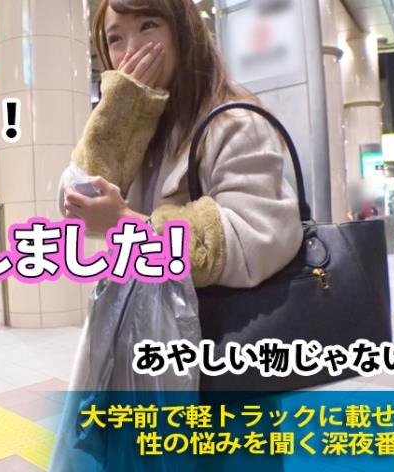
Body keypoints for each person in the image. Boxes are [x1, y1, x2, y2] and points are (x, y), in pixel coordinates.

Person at [58, 0, 302, 290]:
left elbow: (253, 241)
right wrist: (116, 112)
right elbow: (73, 203)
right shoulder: (133, 125)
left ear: (183, 34)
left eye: (147, 25)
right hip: (144, 311)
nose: (131, 50)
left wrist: (125, 223)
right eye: (115, 38)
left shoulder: (235, 123)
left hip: (212, 315)